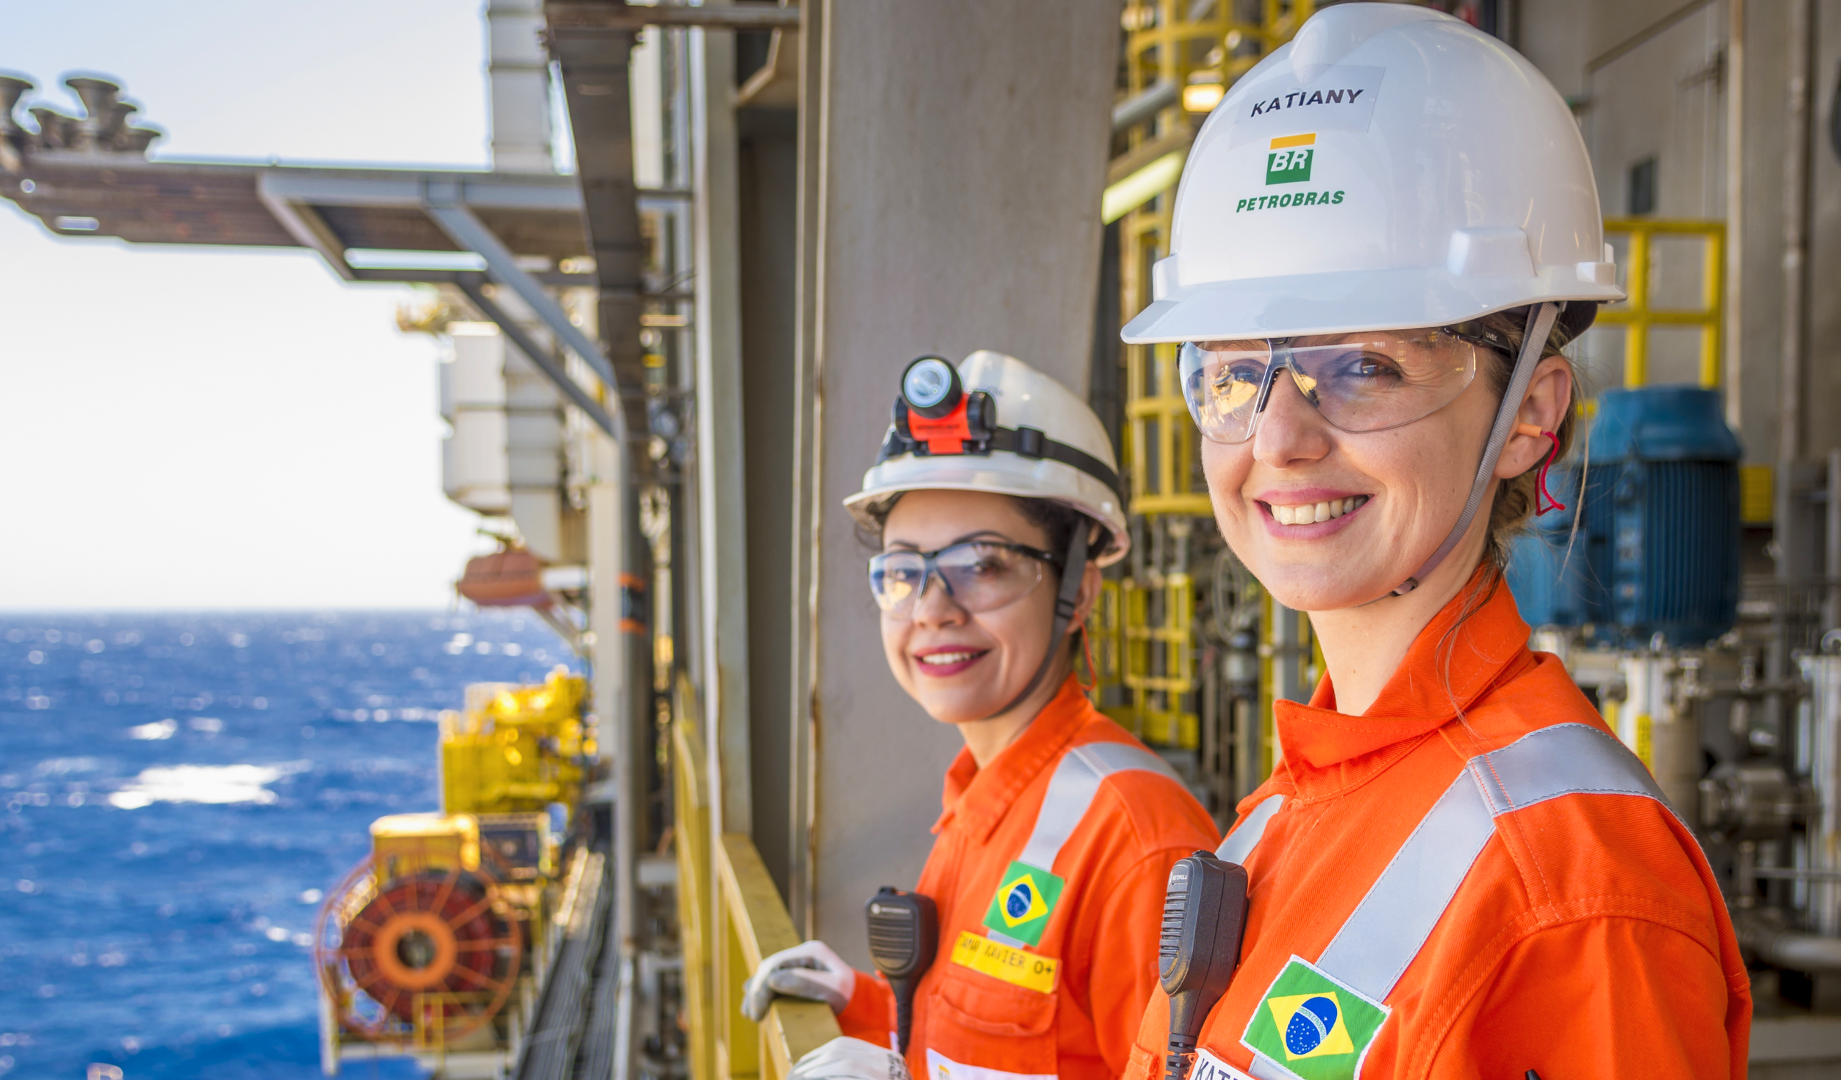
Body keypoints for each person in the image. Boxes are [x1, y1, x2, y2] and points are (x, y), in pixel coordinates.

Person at [1110, 6, 1751, 1080]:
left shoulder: (1575, 890)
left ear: (1532, 416)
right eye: (1230, 374)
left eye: (1362, 365)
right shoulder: (1290, 808)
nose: (1278, 437)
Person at [746, 350, 1223, 1080]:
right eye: (904, 571)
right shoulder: (983, 798)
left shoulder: (1134, 843)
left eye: (984, 565)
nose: (933, 610)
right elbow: (1003, 1044)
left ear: (1079, 592)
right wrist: (864, 1007)